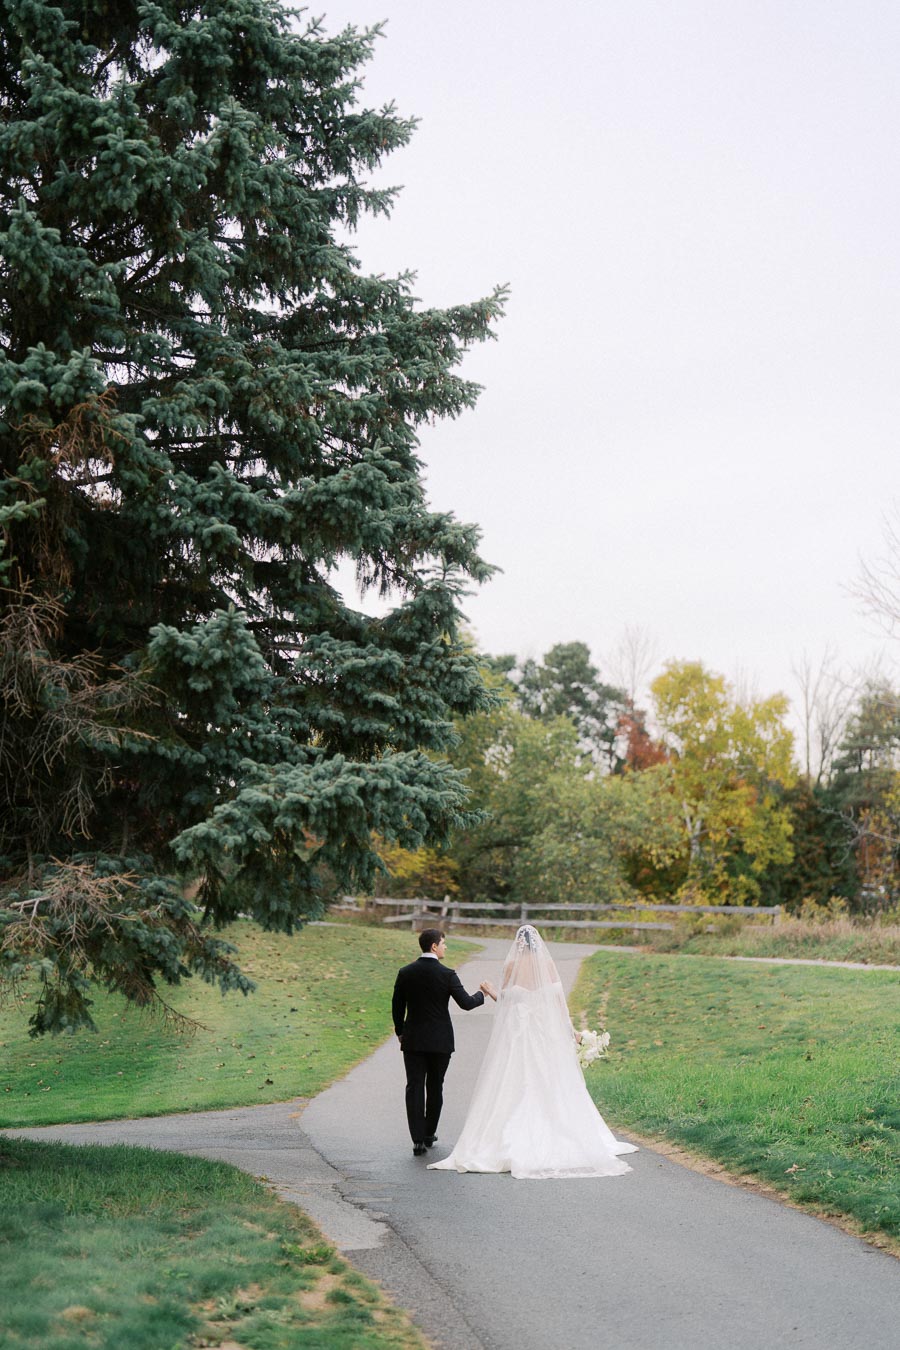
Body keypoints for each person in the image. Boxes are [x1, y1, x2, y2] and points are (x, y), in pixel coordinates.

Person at [428, 924, 637, 1179]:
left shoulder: (510, 968)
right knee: (548, 1080)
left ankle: (502, 1137)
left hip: (518, 1036)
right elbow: (559, 1005)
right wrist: (571, 1032)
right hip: (542, 1034)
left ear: (519, 944)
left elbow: (505, 1004)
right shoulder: (547, 966)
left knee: (511, 1082)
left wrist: (491, 991)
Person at [392, 928, 495, 1156]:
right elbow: (466, 1003)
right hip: (440, 1042)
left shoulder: (406, 972)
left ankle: (417, 1140)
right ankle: (429, 1133)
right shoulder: (447, 974)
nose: (446, 947)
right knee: (435, 1086)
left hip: (414, 1040)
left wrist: (401, 1031)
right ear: (434, 947)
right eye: (443, 943)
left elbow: (397, 1006)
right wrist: (482, 994)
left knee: (414, 1087)